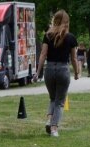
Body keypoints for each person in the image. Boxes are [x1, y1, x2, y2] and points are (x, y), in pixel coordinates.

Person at [34, 10, 79, 138]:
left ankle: (49, 120)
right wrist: (76, 73)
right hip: (63, 70)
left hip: (49, 70)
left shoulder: (47, 36)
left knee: (53, 98)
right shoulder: (71, 37)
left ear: (55, 20)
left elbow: (43, 54)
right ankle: (54, 128)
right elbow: (74, 59)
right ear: (66, 22)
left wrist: (38, 72)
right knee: (60, 101)